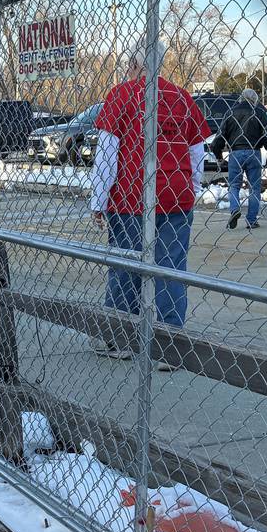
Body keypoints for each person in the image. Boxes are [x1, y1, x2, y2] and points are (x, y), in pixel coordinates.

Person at [88, 62, 211, 361]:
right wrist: (191, 186)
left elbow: (107, 154)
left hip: (132, 196)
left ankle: (119, 338)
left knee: (125, 266)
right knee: (171, 268)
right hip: (175, 195)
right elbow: (197, 152)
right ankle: (170, 346)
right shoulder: (182, 97)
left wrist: (98, 199)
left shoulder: (122, 94)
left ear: (132, 65)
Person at [210, 88, 267, 229]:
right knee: (254, 188)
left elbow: (220, 136)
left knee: (234, 185)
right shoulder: (259, 113)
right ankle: (251, 220)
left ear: (241, 98)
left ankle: (235, 209)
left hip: (235, 152)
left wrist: (218, 155)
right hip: (254, 152)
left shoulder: (231, 112)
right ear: (255, 100)